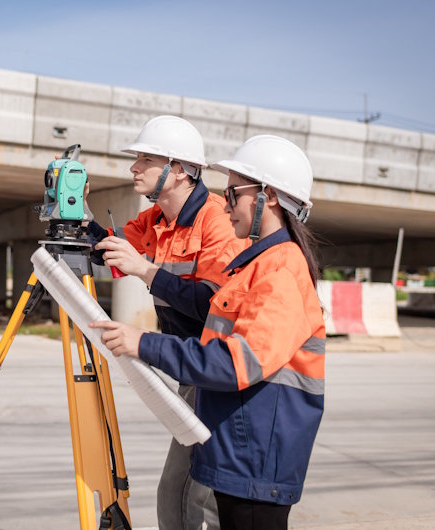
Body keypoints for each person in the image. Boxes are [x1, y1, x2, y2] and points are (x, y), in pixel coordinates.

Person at [91, 134, 325, 530]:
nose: (225, 202)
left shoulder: (279, 271)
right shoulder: (255, 264)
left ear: (267, 197)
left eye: (233, 193)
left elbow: (238, 362)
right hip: (235, 437)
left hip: (255, 454)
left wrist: (144, 342)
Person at [86, 115, 247, 530]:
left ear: (178, 170)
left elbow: (213, 304)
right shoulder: (156, 219)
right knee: (180, 496)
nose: (133, 167)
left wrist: (146, 271)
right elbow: (109, 247)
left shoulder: (217, 220)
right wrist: (77, 212)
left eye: (145, 158)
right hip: (190, 367)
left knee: (190, 499)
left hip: (218, 371)